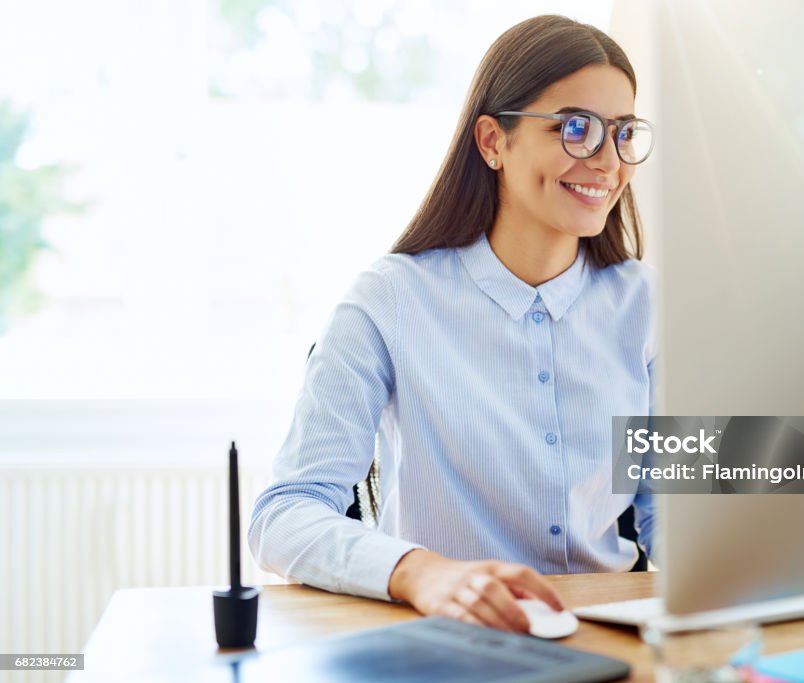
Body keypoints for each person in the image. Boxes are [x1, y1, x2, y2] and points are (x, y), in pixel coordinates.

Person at [249, 14, 656, 634]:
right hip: (450, 637)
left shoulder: (647, 306)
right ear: (493, 141)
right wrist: (424, 572)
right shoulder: (390, 301)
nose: (607, 161)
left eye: (623, 133)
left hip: (616, 634)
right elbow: (284, 514)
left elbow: (675, 510)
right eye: (577, 128)